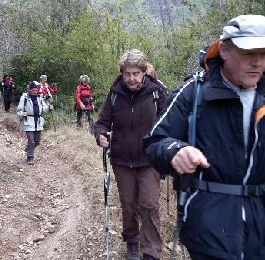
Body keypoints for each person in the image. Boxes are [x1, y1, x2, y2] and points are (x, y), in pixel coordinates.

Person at [144, 14, 265, 260]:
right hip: (209, 223)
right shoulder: (194, 92)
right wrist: (175, 150)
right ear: (223, 50)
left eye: (264, 54)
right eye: (249, 53)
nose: (258, 63)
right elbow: (155, 140)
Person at [94, 49, 167, 260]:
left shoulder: (156, 92)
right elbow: (102, 123)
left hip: (149, 159)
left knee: (150, 205)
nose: (131, 78)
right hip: (122, 160)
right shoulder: (115, 93)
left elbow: (169, 120)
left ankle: (151, 251)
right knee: (128, 204)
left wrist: (166, 146)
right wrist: (100, 136)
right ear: (122, 73)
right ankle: (132, 242)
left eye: (135, 73)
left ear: (144, 72)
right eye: (127, 74)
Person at [16, 81, 49, 165]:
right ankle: (30, 158)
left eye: (36, 90)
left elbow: (45, 110)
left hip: (38, 122)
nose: (35, 91)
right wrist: (22, 114)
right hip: (28, 121)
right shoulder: (24, 98)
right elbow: (18, 111)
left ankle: (28, 149)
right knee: (31, 141)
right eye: (33, 90)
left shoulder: (40, 99)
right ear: (29, 90)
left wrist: (49, 106)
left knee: (37, 141)